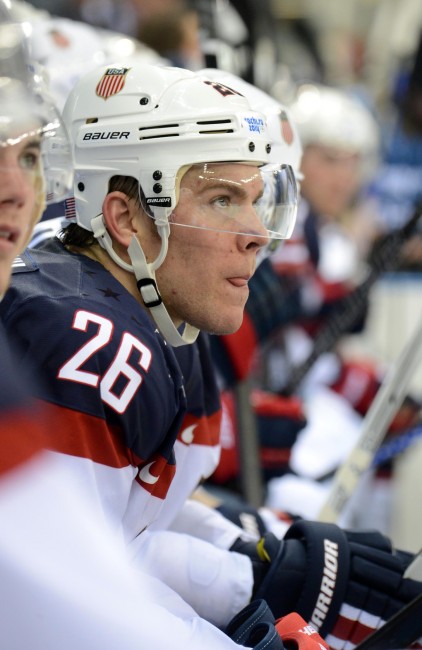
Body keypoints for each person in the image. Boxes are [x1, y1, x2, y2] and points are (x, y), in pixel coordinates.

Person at [2, 59, 422, 650]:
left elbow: (131, 536)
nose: (257, 232)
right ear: (124, 217)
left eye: (258, 200)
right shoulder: (86, 338)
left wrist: (255, 564)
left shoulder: (160, 312)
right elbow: (53, 614)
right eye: (223, 200)